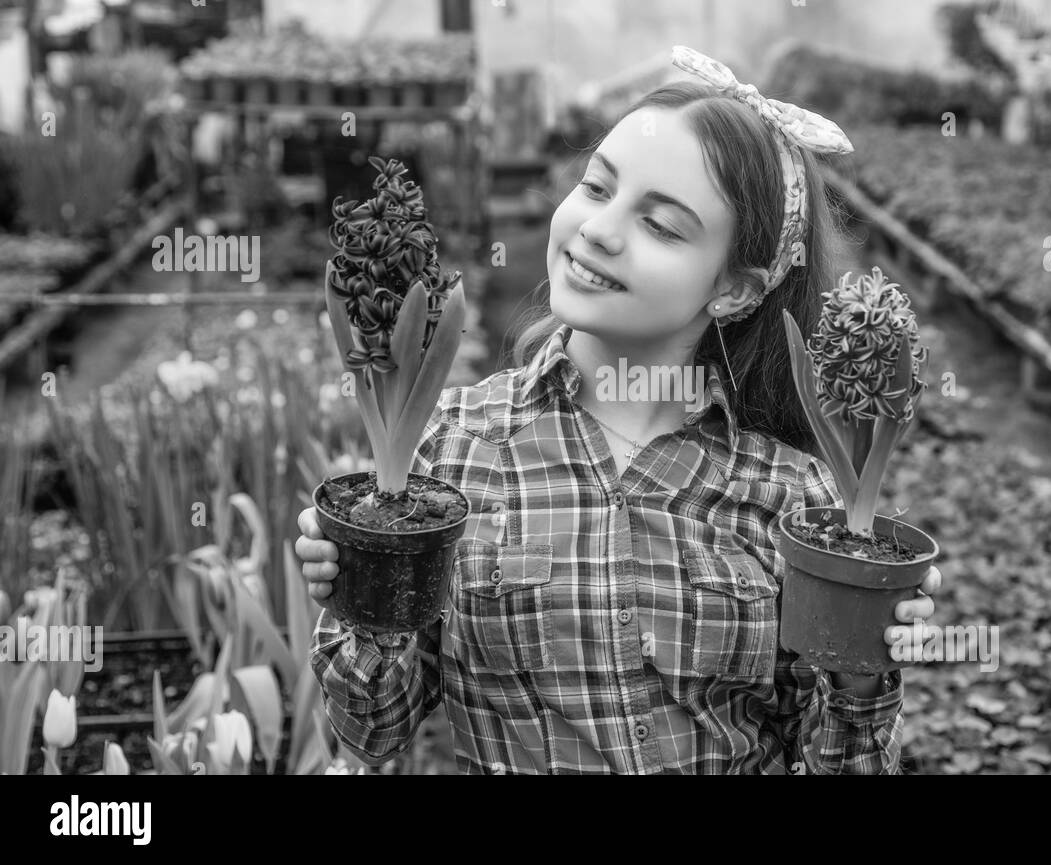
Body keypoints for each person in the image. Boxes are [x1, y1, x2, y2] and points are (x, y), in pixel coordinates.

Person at [295, 46, 943, 774]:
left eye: (661, 225)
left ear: (734, 289)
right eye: (596, 187)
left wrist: (863, 667)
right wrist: (363, 599)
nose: (600, 229)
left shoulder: (795, 499)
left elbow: (840, 764)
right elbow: (372, 729)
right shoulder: (452, 450)